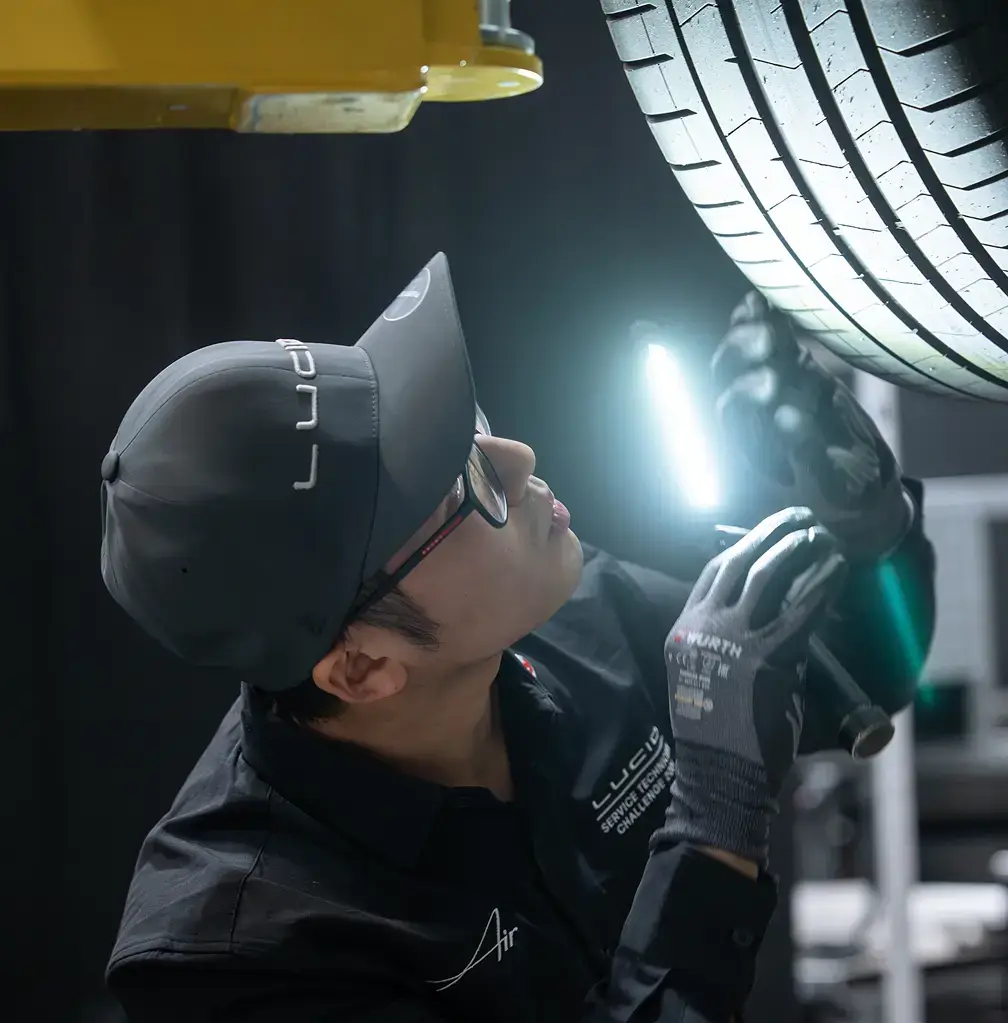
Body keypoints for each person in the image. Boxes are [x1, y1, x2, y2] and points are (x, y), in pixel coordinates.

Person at [101, 253, 936, 1023]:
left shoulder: (573, 622)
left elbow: (858, 680)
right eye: (464, 488)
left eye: (466, 430)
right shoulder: (243, 958)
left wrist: (867, 523)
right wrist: (716, 814)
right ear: (360, 666)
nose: (517, 459)